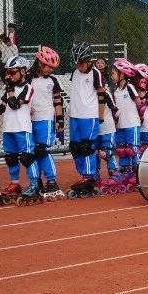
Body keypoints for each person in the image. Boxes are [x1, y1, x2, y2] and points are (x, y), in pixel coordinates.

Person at [0, 56, 39, 202]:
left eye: (12, 72)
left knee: (27, 157)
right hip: (9, 128)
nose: (9, 75)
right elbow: (1, 108)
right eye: (8, 72)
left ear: (23, 71)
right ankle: (15, 184)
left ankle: (34, 184)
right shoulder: (9, 88)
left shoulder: (28, 88)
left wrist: (10, 88)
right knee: (11, 158)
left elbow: (14, 104)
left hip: (22, 127)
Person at [67, 42, 106, 196]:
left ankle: (89, 175)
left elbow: (102, 95)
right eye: (76, 64)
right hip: (75, 115)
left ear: (89, 60)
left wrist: (101, 115)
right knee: (75, 147)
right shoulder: (75, 73)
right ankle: (84, 174)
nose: (79, 67)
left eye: (81, 64)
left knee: (87, 146)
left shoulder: (96, 73)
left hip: (89, 115)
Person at [28, 47, 66, 198]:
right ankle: (36, 181)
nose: (50, 70)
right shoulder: (29, 79)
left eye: (52, 68)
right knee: (32, 152)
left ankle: (51, 181)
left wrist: (60, 120)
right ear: (39, 63)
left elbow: (58, 102)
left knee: (42, 150)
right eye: (47, 66)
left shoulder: (53, 81)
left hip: (46, 118)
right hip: (29, 120)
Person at [109, 59, 145, 186]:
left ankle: (139, 173)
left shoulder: (129, 87)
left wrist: (140, 118)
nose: (112, 76)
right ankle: (125, 171)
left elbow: (140, 103)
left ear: (122, 74)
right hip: (120, 126)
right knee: (122, 150)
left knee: (133, 150)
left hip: (131, 125)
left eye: (113, 73)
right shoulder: (116, 90)